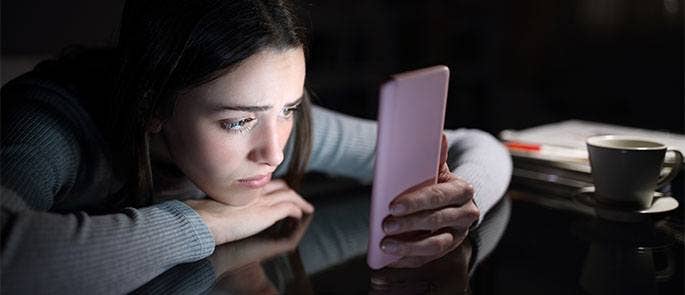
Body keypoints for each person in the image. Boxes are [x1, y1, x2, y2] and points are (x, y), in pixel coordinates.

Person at [0, 0, 512, 293]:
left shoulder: (270, 128)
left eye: (289, 109)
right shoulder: (48, 126)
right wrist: (210, 221)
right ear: (152, 104)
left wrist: (460, 197)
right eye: (238, 121)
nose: (273, 151)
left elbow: (477, 144)